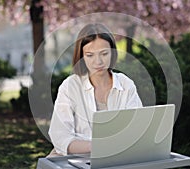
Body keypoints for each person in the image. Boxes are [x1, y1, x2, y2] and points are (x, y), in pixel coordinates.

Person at [48, 23, 142, 157]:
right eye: (90, 55)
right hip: (75, 157)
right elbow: (60, 137)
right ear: (81, 56)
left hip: (118, 157)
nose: (98, 62)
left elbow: (137, 129)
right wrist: (98, 146)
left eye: (104, 53)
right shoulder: (70, 86)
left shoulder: (126, 84)